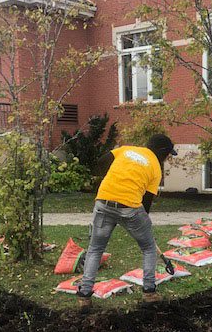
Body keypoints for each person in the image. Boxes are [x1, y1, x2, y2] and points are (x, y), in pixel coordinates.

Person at [76, 134, 177, 313]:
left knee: (95, 249)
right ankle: (149, 293)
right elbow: (145, 205)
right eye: (168, 154)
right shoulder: (155, 167)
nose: (168, 158)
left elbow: (100, 162)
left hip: (103, 202)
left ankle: (84, 297)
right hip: (130, 207)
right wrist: (142, 227)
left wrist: (118, 177)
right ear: (162, 152)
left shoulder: (126, 150)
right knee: (148, 248)